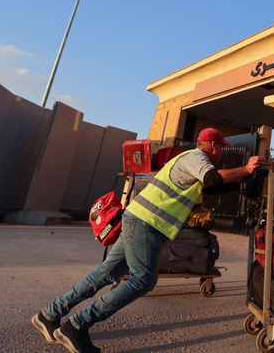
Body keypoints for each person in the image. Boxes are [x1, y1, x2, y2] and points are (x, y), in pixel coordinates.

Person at [31, 128, 261, 352]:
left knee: (106, 273)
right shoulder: (196, 157)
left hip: (140, 220)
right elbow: (213, 179)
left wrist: (244, 179)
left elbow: (213, 189)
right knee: (143, 280)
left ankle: (49, 315)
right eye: (221, 149)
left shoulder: (191, 162)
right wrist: (246, 169)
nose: (221, 154)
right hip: (146, 223)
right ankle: (76, 326)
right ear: (213, 145)